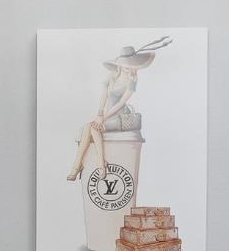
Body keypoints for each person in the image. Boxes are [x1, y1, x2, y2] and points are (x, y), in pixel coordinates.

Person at [66, 36, 172, 180]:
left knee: (92, 127)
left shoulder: (132, 81)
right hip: (105, 114)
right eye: (128, 66)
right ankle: (86, 164)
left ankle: (91, 164)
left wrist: (104, 117)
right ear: (121, 65)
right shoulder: (112, 76)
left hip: (119, 117)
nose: (131, 69)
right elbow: (104, 96)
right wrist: (99, 114)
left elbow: (121, 103)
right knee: (89, 127)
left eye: (133, 66)